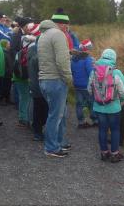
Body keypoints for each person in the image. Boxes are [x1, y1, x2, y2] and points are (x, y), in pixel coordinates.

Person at [38, 19, 72, 158]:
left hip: (45, 79)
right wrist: (69, 78)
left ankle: (58, 142)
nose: (67, 27)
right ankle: (51, 147)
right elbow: (61, 60)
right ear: (60, 24)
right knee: (55, 115)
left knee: (59, 113)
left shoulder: (43, 35)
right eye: (66, 24)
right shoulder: (58, 34)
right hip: (56, 80)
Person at [88, 49, 124, 163]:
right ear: (114, 59)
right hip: (114, 107)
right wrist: (122, 101)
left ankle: (104, 153)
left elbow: (89, 89)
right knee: (115, 130)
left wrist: (96, 98)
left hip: (99, 107)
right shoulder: (116, 72)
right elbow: (123, 91)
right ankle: (115, 154)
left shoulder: (93, 71)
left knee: (102, 129)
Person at [12, 23, 38, 126]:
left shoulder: (20, 51)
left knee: (23, 97)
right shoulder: (32, 51)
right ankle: (27, 119)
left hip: (18, 76)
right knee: (29, 98)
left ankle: (22, 118)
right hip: (27, 77)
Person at [27, 24, 47, 141]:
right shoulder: (41, 55)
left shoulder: (30, 50)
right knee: (43, 109)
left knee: (37, 109)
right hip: (41, 85)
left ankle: (36, 131)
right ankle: (39, 132)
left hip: (33, 83)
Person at [71, 39, 97, 128]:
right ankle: (95, 119)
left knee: (79, 103)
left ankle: (81, 122)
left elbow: (72, 71)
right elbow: (91, 72)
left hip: (77, 85)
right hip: (86, 85)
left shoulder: (74, 59)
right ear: (87, 49)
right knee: (91, 102)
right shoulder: (87, 59)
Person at [0, 39, 14, 107]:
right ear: (4, 45)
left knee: (8, 87)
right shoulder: (3, 53)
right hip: (5, 74)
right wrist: (8, 71)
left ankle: (7, 99)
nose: (9, 45)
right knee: (4, 88)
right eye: (8, 44)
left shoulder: (7, 52)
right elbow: (3, 64)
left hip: (8, 73)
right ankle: (0, 100)